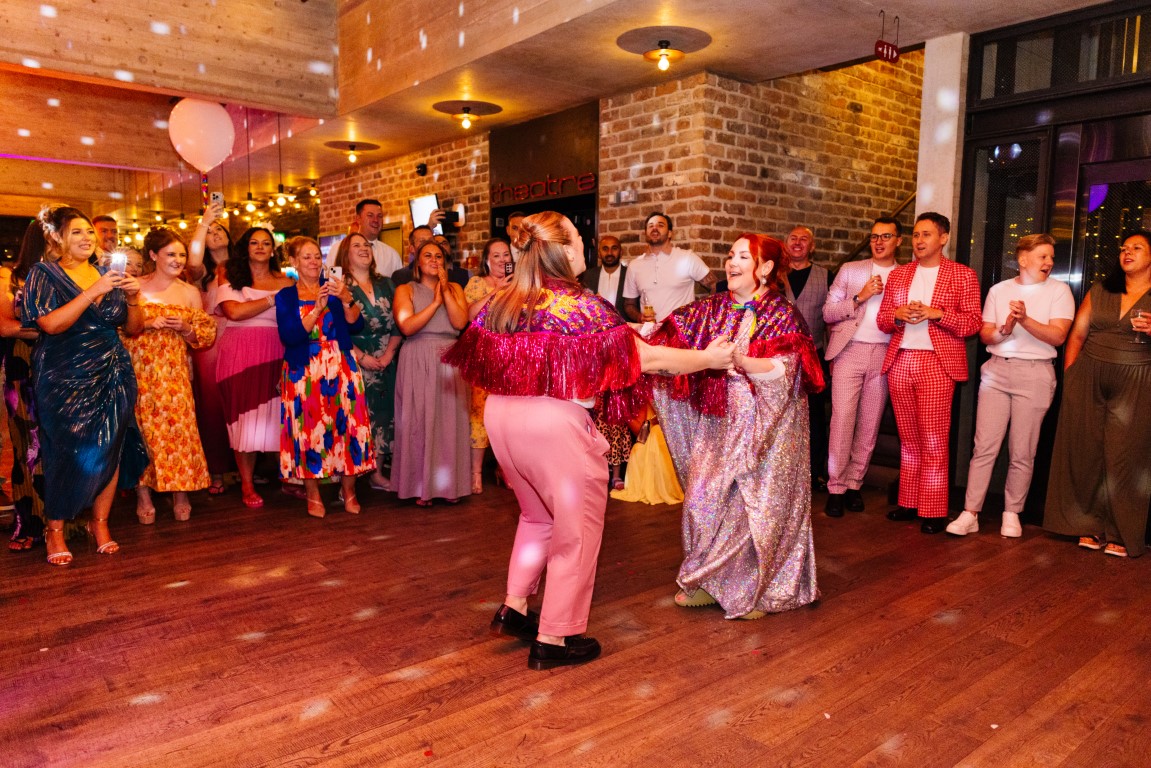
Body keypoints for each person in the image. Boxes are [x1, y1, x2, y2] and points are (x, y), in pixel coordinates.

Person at [444, 211, 735, 670]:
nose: (586, 246)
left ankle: (515, 606)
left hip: (502, 416)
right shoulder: (578, 302)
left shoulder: (506, 300)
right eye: (579, 239)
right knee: (575, 532)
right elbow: (646, 358)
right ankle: (556, 638)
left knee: (536, 517)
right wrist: (709, 357)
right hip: (553, 425)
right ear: (561, 249)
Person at [647, 233, 823, 619]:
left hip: (769, 428)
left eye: (743, 256)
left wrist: (741, 360)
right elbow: (668, 338)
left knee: (753, 506)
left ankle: (755, 589)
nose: (732, 262)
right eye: (729, 255)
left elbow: (787, 372)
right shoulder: (710, 308)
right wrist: (637, 335)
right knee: (701, 498)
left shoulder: (781, 314)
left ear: (764, 268)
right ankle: (706, 579)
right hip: (720, 421)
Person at [22, 205, 148, 566]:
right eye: (76, 232)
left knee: (111, 444)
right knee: (64, 450)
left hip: (112, 369)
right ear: (58, 238)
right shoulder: (44, 274)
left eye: (89, 232)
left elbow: (134, 328)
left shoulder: (108, 274)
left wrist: (134, 297)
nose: (87, 238)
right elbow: (50, 325)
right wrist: (95, 290)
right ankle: (55, 529)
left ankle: (101, 524)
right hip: (63, 374)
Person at [947, 234, 1073, 538]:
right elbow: (986, 333)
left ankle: (1012, 513)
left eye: (1051, 258)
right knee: (984, 446)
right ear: (1023, 258)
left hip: (1036, 374)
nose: (1049, 263)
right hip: (996, 371)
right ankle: (970, 512)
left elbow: (1058, 336)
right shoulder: (999, 290)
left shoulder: (1060, 291)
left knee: (1022, 450)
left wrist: (1025, 319)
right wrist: (1005, 330)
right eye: (1043, 256)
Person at [1044, 230, 1151, 557]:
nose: (1127, 252)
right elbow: (1076, 335)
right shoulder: (1101, 289)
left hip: (1137, 379)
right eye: (1123, 247)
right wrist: (1072, 376)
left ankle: (1120, 532)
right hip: (1088, 375)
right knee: (1085, 451)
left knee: (1126, 456)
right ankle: (1085, 526)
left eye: (1136, 247)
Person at [877, 212, 982, 534]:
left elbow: (973, 323)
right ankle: (908, 503)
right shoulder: (899, 275)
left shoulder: (962, 275)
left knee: (934, 440)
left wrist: (937, 314)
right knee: (908, 441)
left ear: (943, 238)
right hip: (900, 360)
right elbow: (882, 321)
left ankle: (934, 510)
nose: (919, 241)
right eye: (915, 235)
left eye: (926, 235)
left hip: (937, 363)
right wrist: (896, 315)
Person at [122, 228, 217, 524]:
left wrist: (185, 328)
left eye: (181, 255)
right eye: (170, 254)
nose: (178, 260)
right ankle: (143, 494)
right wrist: (148, 323)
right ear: (153, 255)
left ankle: (181, 492)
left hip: (174, 370)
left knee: (179, 430)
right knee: (142, 431)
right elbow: (117, 328)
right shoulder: (132, 286)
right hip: (138, 367)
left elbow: (205, 334)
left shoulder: (189, 292)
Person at [277, 236, 374, 518]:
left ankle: (350, 491)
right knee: (308, 431)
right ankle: (313, 494)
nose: (313, 262)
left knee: (350, 427)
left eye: (317, 257)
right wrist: (317, 309)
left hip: (341, 363)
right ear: (294, 262)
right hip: (304, 369)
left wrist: (346, 299)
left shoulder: (334, 289)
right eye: (306, 257)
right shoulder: (286, 296)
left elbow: (357, 325)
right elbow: (291, 335)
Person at [821, 217, 901, 517]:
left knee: (869, 424)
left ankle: (855, 484)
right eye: (874, 237)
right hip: (849, 352)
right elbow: (828, 313)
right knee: (842, 421)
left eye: (886, 236)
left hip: (884, 354)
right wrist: (860, 297)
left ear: (898, 241)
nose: (879, 242)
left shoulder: (905, 275)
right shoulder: (851, 270)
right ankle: (836, 488)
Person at [213, 227, 295, 508]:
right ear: (245, 247)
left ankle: (288, 478)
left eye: (266, 243)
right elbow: (233, 311)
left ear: (273, 249)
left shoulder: (285, 280)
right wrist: (272, 299)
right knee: (243, 418)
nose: (260, 247)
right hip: (239, 350)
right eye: (254, 242)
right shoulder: (229, 272)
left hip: (276, 348)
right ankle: (246, 484)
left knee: (279, 415)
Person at [392, 239, 471, 505]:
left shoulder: (456, 288)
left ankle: (449, 487)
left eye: (439, 256)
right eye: (428, 255)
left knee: (449, 422)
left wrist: (445, 292)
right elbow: (407, 327)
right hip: (418, 355)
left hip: (449, 358)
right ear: (417, 260)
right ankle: (420, 488)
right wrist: (435, 302)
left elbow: (460, 322)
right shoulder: (406, 289)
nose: (434, 260)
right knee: (420, 421)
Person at [339, 232, 401, 491]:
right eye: (357, 245)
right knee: (357, 415)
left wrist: (388, 354)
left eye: (367, 245)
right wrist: (362, 357)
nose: (364, 249)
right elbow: (336, 328)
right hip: (353, 357)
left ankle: (376, 471)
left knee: (386, 414)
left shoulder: (388, 284)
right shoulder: (339, 286)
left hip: (388, 357)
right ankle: (350, 476)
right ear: (346, 253)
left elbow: (399, 323)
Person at [0, 222, 47, 551]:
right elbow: (5, 326)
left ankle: (63, 522)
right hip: (24, 367)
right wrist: (51, 328)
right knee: (27, 447)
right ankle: (30, 522)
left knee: (61, 446)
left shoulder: (76, 275)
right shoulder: (12, 278)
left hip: (65, 366)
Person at [186, 205, 235, 494]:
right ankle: (216, 470)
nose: (215, 234)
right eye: (210, 232)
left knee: (240, 402)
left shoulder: (243, 267)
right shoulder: (201, 271)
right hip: (212, 341)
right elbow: (192, 259)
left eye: (219, 229)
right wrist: (204, 222)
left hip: (242, 336)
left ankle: (246, 468)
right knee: (213, 406)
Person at [463, 237, 514, 494]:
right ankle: (476, 473)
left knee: (510, 416)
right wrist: (497, 291)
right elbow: (470, 315)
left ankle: (506, 468)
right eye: (496, 256)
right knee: (479, 414)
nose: (503, 260)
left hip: (511, 356)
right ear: (487, 260)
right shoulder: (476, 283)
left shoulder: (518, 283)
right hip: (484, 355)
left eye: (506, 255)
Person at [583, 235, 632, 489]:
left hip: (620, 344)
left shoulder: (629, 274)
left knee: (617, 408)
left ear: (620, 251)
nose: (610, 252)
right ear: (599, 251)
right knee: (596, 408)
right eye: (606, 248)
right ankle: (595, 466)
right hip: (595, 346)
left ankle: (617, 470)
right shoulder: (588, 277)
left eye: (615, 248)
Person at [784, 225, 830, 490]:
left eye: (804, 239)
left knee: (814, 417)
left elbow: (832, 319)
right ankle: (785, 473)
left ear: (812, 247)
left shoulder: (826, 275)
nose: (798, 243)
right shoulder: (774, 275)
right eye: (794, 238)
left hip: (815, 356)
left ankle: (814, 474)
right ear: (786, 244)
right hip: (778, 357)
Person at [622, 212, 717, 323]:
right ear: (646, 233)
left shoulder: (687, 258)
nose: (655, 228)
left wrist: (704, 314)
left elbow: (715, 286)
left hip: (681, 334)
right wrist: (639, 317)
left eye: (660, 225)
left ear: (670, 233)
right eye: (650, 226)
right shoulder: (634, 266)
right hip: (650, 335)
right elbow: (629, 304)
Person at [349, 198, 403, 278]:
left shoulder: (392, 255)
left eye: (379, 216)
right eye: (370, 215)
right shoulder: (339, 249)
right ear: (358, 219)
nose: (375, 220)